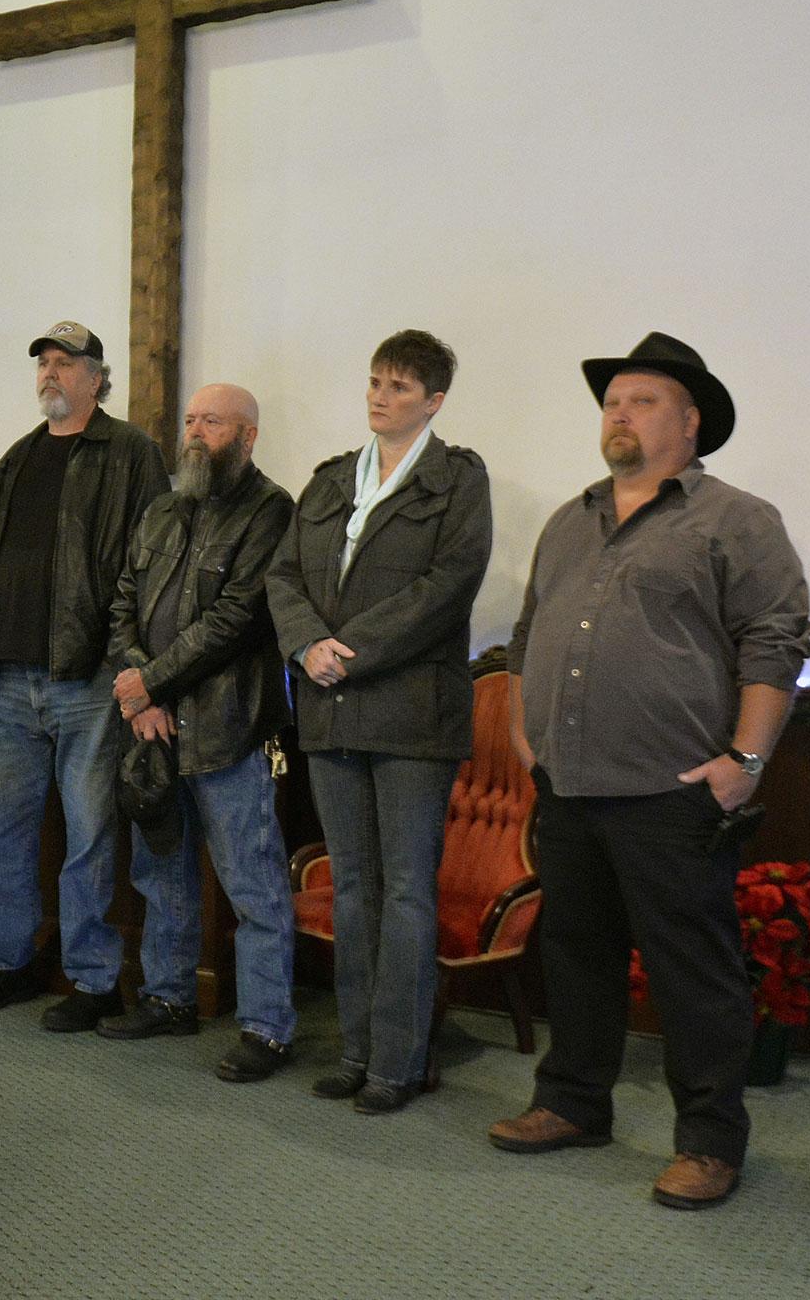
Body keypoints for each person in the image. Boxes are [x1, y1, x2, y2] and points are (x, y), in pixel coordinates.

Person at [490, 332, 810, 1210]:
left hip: (671, 792)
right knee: (578, 954)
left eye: (641, 401)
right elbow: (525, 635)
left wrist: (745, 760)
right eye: (611, 402)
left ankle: (710, 1143)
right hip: (569, 784)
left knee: (691, 972)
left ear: (691, 420)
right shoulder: (572, 517)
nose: (619, 414)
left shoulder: (735, 519)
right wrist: (526, 735)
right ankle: (572, 1103)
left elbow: (775, 642)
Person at [265, 330, 491, 1113]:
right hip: (329, 708)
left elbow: (448, 585)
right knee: (353, 885)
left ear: (432, 401)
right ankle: (355, 1050)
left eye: (397, 387)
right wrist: (304, 643)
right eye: (373, 382)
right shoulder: (331, 480)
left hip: (410, 715)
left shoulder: (457, 478)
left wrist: (348, 651)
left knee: (404, 893)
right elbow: (283, 574)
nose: (378, 396)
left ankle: (397, 1060)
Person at [0, 321, 167, 1031]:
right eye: (43, 361)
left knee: (90, 835)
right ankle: (11, 963)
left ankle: (94, 978)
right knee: (0, 833)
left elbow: (147, 567)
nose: (50, 372)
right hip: (8, 677)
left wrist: (127, 665)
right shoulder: (16, 458)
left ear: (98, 378)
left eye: (65, 362)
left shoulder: (131, 453)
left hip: (86, 678)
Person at [102, 384, 299, 1081]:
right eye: (189, 419)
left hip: (229, 727)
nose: (194, 432)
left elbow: (238, 618)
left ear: (247, 436)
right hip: (151, 724)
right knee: (161, 872)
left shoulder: (272, 511)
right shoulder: (161, 508)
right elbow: (123, 598)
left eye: (210, 422)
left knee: (253, 884)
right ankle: (167, 996)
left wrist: (152, 683)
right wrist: (139, 690)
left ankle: (267, 1027)